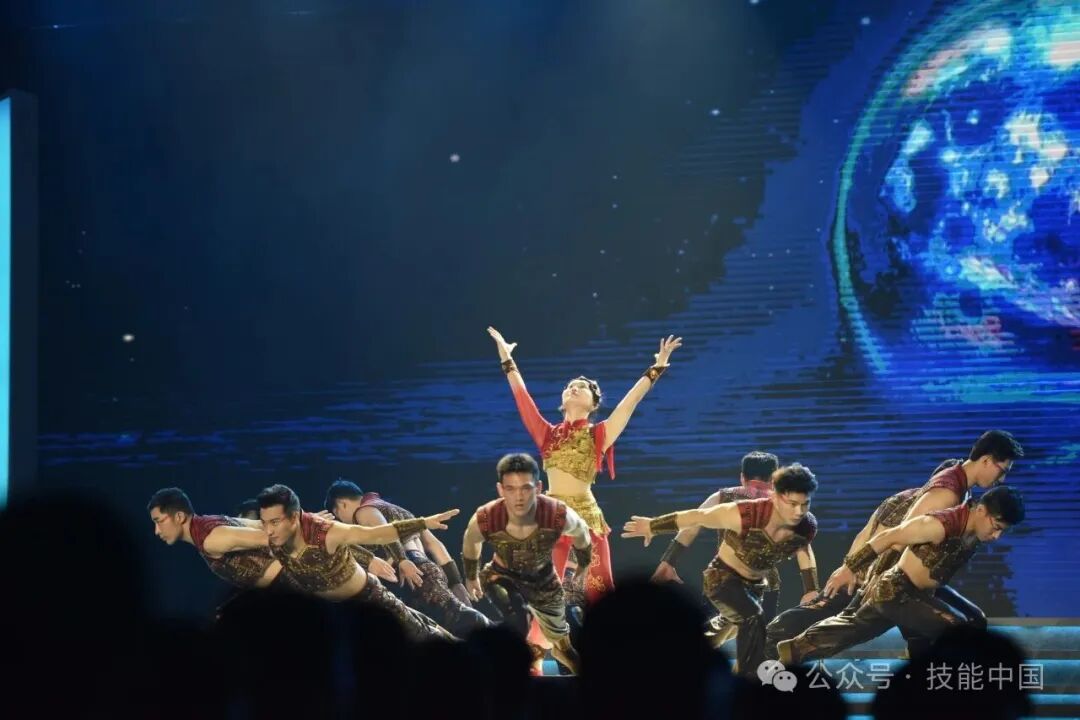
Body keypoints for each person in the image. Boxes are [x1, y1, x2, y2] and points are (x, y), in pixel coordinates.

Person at [487, 326, 682, 603]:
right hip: (552, 518)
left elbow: (629, 403)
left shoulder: (599, 434)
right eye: (569, 386)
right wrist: (507, 359)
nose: (574, 388)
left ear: (593, 405)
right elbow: (522, 399)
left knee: (601, 592)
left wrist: (657, 367)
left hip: (587, 520)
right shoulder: (547, 434)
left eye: (582, 387)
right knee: (546, 596)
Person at [777, 485, 1026, 664]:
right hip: (895, 593)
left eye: (1002, 531)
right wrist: (849, 567)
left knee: (976, 621)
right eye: (996, 527)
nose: (996, 536)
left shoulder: (974, 531)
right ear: (980, 510)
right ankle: (792, 651)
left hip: (922, 593)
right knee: (958, 631)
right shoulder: (939, 525)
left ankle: (794, 649)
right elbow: (888, 537)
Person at [623, 463, 819, 675]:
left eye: (805, 504)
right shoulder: (746, 513)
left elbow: (804, 550)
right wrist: (652, 526)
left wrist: (811, 588)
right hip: (723, 578)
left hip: (754, 587)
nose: (799, 511)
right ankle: (746, 681)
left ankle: (672, 653)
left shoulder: (806, 526)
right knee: (753, 619)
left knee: (725, 629)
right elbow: (697, 517)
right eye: (793, 504)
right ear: (777, 496)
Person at [763, 458, 964, 659]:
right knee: (827, 619)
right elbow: (886, 542)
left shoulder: (904, 497)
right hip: (873, 579)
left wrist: (849, 567)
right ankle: (771, 649)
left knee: (917, 626)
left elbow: (866, 534)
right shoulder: (928, 508)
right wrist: (858, 572)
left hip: (873, 577)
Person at [257, 483, 456, 640]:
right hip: (335, 611)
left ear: (293, 518)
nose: (269, 530)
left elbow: (376, 534)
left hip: (371, 598)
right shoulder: (271, 536)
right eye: (264, 523)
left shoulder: (327, 531)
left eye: (274, 522)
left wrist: (422, 523)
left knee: (420, 635)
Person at [461, 453, 593, 673]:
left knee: (562, 642)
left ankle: (562, 651)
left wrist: (583, 564)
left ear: (538, 488)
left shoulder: (557, 514)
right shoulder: (486, 517)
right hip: (501, 575)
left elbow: (581, 533)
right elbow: (471, 542)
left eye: (525, 488)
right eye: (511, 489)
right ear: (501, 489)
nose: (518, 497)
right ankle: (510, 669)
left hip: (543, 579)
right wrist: (471, 575)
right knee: (518, 619)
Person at [324, 479, 491, 636]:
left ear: (342, 504)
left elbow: (386, 533)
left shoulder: (364, 510)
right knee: (445, 627)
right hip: (425, 569)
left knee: (455, 621)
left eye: (337, 515)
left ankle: (497, 637)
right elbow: (434, 544)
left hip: (413, 572)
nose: (341, 521)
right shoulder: (399, 511)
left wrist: (402, 560)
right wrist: (455, 582)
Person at [651, 450, 781, 644]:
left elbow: (692, 525)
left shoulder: (723, 497)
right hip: (765, 583)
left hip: (725, 579)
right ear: (774, 479)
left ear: (742, 477)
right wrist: (811, 588)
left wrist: (668, 561)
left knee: (717, 635)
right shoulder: (784, 504)